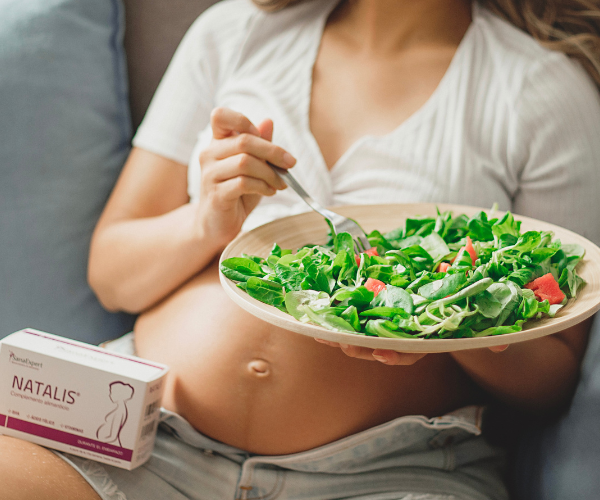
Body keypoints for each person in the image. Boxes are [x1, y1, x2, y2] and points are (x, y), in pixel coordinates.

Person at [2, 0, 600, 499]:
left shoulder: (544, 93)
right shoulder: (233, 33)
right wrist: (205, 222)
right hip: (142, 433)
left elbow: (553, 379)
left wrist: (450, 323)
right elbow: (112, 275)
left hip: (390, 471)